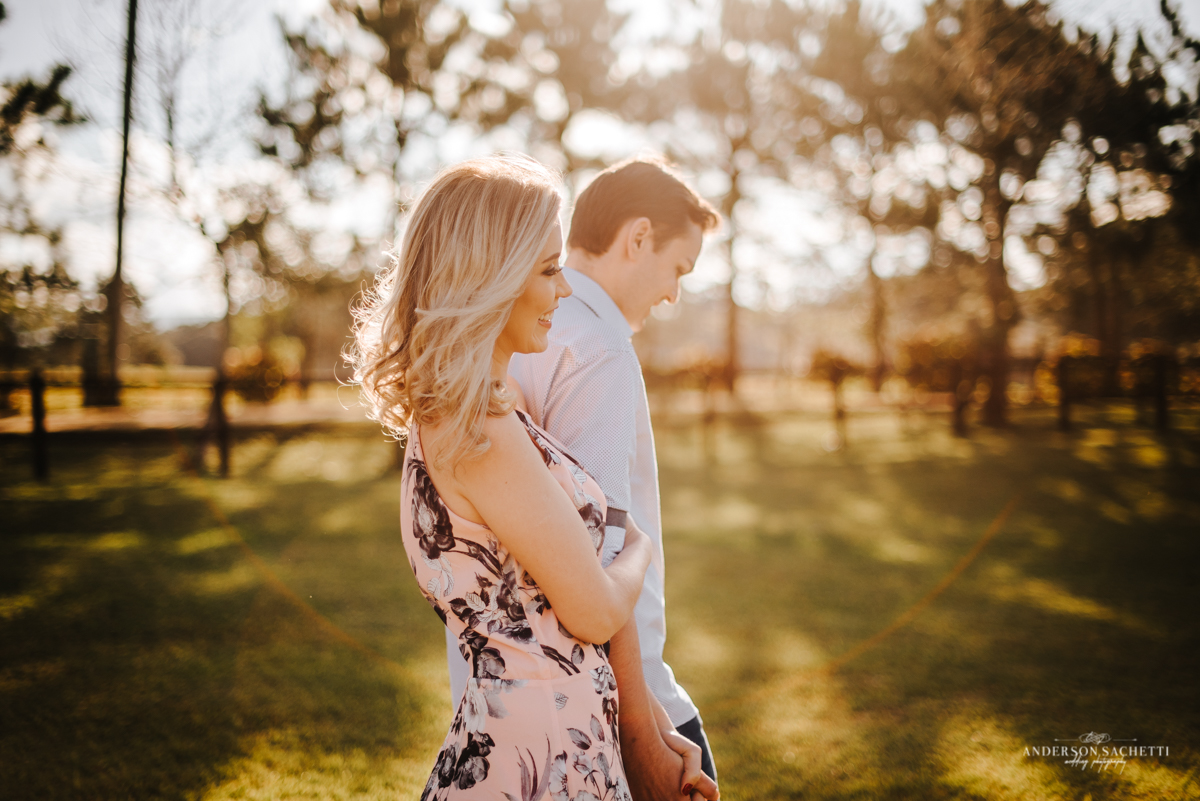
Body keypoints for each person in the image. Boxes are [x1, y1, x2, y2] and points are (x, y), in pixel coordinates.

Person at [350, 155, 717, 801]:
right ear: (493, 275)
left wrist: (653, 722)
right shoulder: (479, 431)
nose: (564, 288)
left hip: (556, 737)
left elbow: (548, 606)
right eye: (549, 270)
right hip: (537, 757)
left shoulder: (488, 412)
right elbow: (595, 606)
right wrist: (639, 546)